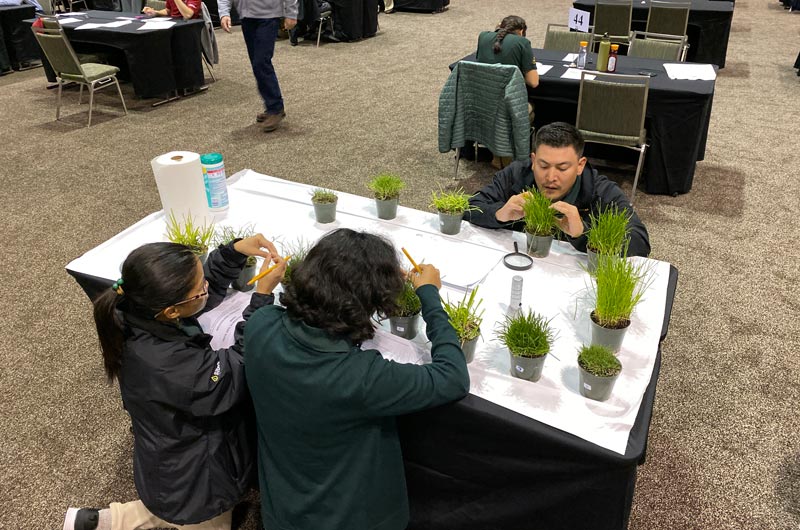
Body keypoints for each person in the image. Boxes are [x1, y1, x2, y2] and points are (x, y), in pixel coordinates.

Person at [244, 228, 470, 530]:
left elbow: (263, 311)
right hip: (350, 517)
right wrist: (429, 295)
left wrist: (263, 291)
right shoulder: (361, 376)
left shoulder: (261, 324)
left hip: (283, 507)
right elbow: (453, 376)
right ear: (372, 303)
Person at [63, 235, 287, 530]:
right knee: (207, 518)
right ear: (171, 310)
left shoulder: (136, 309)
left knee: (180, 506)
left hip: (170, 456)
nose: (206, 286)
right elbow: (234, 368)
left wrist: (232, 253)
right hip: (197, 479)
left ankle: (106, 520)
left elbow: (197, 290)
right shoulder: (171, 366)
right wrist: (260, 298)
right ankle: (119, 520)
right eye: (200, 288)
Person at [466, 122, 651, 257]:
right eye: (543, 166)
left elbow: (640, 242)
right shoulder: (516, 174)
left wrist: (584, 233)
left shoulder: (599, 190)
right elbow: (470, 207)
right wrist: (499, 213)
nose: (551, 177)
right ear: (533, 160)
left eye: (562, 168)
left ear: (580, 165)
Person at [218, 0, 298, 132]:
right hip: (246, 18)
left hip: (268, 17)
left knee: (261, 62)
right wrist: (224, 13)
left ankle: (275, 108)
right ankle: (272, 105)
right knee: (257, 64)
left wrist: (291, 13)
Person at [476, 15, 538, 89]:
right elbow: (533, 82)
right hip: (508, 95)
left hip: (483, 92)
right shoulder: (522, 42)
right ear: (521, 31)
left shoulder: (483, 36)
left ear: (500, 26)